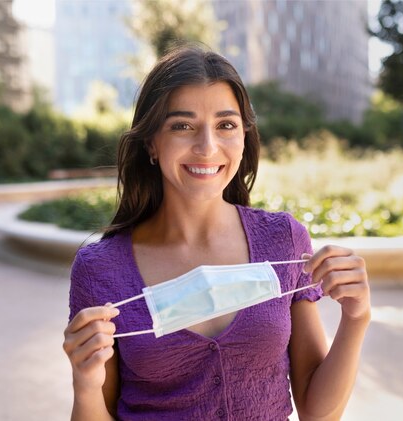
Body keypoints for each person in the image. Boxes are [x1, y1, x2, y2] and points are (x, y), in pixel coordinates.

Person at [63, 45, 371, 420]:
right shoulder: (101, 268)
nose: (207, 147)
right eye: (182, 126)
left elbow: (318, 412)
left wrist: (356, 319)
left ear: (244, 137)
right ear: (151, 143)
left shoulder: (283, 240)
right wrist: (85, 384)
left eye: (225, 125)